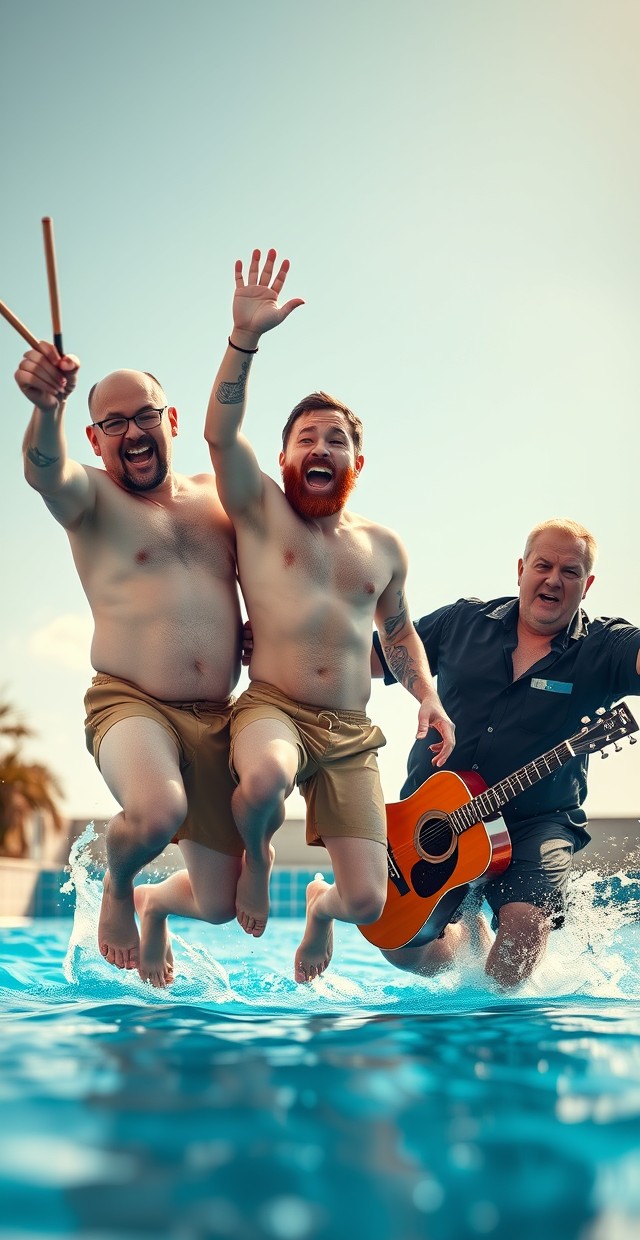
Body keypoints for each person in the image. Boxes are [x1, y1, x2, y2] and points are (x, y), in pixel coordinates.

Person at [204, 248, 455, 983]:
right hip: (274, 707)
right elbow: (220, 435)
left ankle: (317, 907)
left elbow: (399, 632)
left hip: (350, 733)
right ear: (282, 457)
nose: (321, 447)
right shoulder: (259, 510)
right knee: (264, 781)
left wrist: (430, 698)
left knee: (369, 897)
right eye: (306, 438)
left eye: (336, 439)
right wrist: (243, 340)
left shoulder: (381, 547)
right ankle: (259, 855)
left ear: (357, 463)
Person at [16, 342, 244, 989]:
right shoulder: (89, 498)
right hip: (130, 702)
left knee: (222, 904)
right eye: (113, 423)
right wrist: (45, 410)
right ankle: (120, 885)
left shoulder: (215, 502)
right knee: (156, 811)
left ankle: (154, 904)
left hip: (216, 717)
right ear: (94, 437)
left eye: (144, 415)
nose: (132, 432)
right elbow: (43, 470)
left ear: (171, 422)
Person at [373, 519, 640, 986]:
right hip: (435, 815)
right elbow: (375, 657)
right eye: (543, 565)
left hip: (537, 819)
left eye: (570, 571)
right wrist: (286, 646)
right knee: (398, 945)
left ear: (587, 584)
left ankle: (487, 1035)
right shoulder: (462, 623)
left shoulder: (604, 647)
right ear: (521, 569)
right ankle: (467, 940)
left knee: (522, 928)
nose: (554, 579)